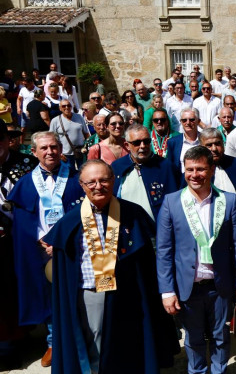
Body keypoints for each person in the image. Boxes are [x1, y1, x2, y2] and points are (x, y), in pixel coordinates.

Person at [44, 159, 178, 373]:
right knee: (97, 346)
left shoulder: (133, 213)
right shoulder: (70, 221)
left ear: (113, 181)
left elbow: (152, 256)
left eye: (104, 180)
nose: (98, 186)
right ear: (82, 185)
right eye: (92, 182)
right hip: (91, 293)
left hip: (130, 294)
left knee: (131, 344)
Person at [156, 146, 236, 374]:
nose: (194, 175)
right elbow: (164, 251)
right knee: (194, 339)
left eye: (200, 169)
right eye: (190, 169)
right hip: (188, 286)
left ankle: (219, 371)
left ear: (212, 170)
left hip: (219, 286)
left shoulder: (228, 201)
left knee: (220, 337)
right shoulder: (171, 202)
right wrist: (167, 291)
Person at [8, 132, 84, 367]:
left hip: (72, 246)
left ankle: (79, 337)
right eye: (44, 148)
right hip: (40, 248)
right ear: (34, 152)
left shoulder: (76, 177)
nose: (50, 151)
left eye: (54, 146)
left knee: (77, 292)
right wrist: (42, 240)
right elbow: (22, 220)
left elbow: (84, 215)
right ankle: (54, 342)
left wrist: (64, 240)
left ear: (60, 148)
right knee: (48, 294)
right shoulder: (25, 182)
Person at [0, 122, 35, 370]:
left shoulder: (27, 166)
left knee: (17, 290)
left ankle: (14, 342)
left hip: (19, 240)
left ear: (7, 140)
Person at [112, 124, 180, 223]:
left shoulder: (166, 167)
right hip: (130, 230)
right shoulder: (117, 167)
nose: (143, 146)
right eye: (137, 143)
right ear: (127, 145)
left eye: (146, 141)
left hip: (160, 230)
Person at [49, 99, 89, 170]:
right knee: (68, 174)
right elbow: (52, 139)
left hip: (81, 151)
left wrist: (87, 147)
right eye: (64, 106)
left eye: (69, 105)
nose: (67, 107)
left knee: (83, 172)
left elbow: (86, 134)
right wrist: (59, 153)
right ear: (60, 108)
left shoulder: (79, 117)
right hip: (65, 154)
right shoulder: (55, 121)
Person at [166, 108, 201, 174]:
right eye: (184, 120)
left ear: (198, 121)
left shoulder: (205, 140)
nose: (188, 123)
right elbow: (170, 168)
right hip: (181, 182)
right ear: (181, 122)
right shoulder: (173, 142)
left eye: (192, 120)